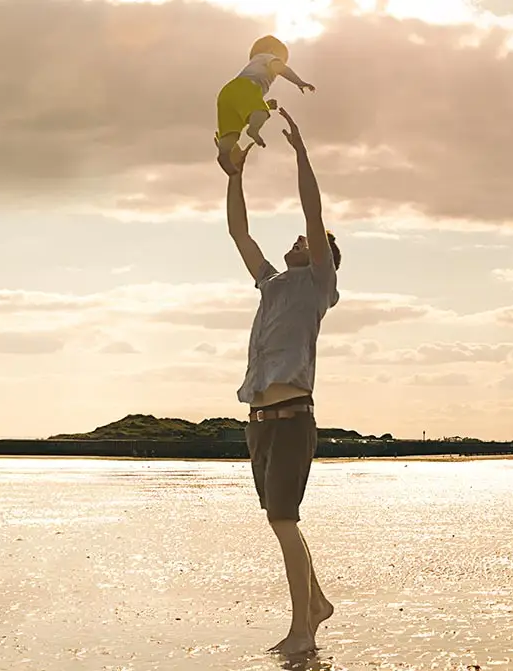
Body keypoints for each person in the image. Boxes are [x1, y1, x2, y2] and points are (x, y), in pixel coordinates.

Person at [224, 106, 338, 656]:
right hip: (258, 422)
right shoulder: (271, 283)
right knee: (279, 522)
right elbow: (239, 232)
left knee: (285, 520)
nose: (297, 240)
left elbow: (313, 214)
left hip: (293, 418)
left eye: (307, 242)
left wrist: (302, 154)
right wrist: (236, 176)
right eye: (294, 240)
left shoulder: (318, 284)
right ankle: (316, 604)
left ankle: (303, 628)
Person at [215, 35, 316, 175]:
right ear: (271, 50)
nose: (282, 62)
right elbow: (281, 69)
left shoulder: (254, 65)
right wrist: (299, 82)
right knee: (261, 114)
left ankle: (224, 155)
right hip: (245, 87)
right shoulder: (266, 57)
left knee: (231, 131)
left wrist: (266, 105)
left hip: (226, 94)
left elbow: (246, 102)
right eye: (282, 58)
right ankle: (253, 131)